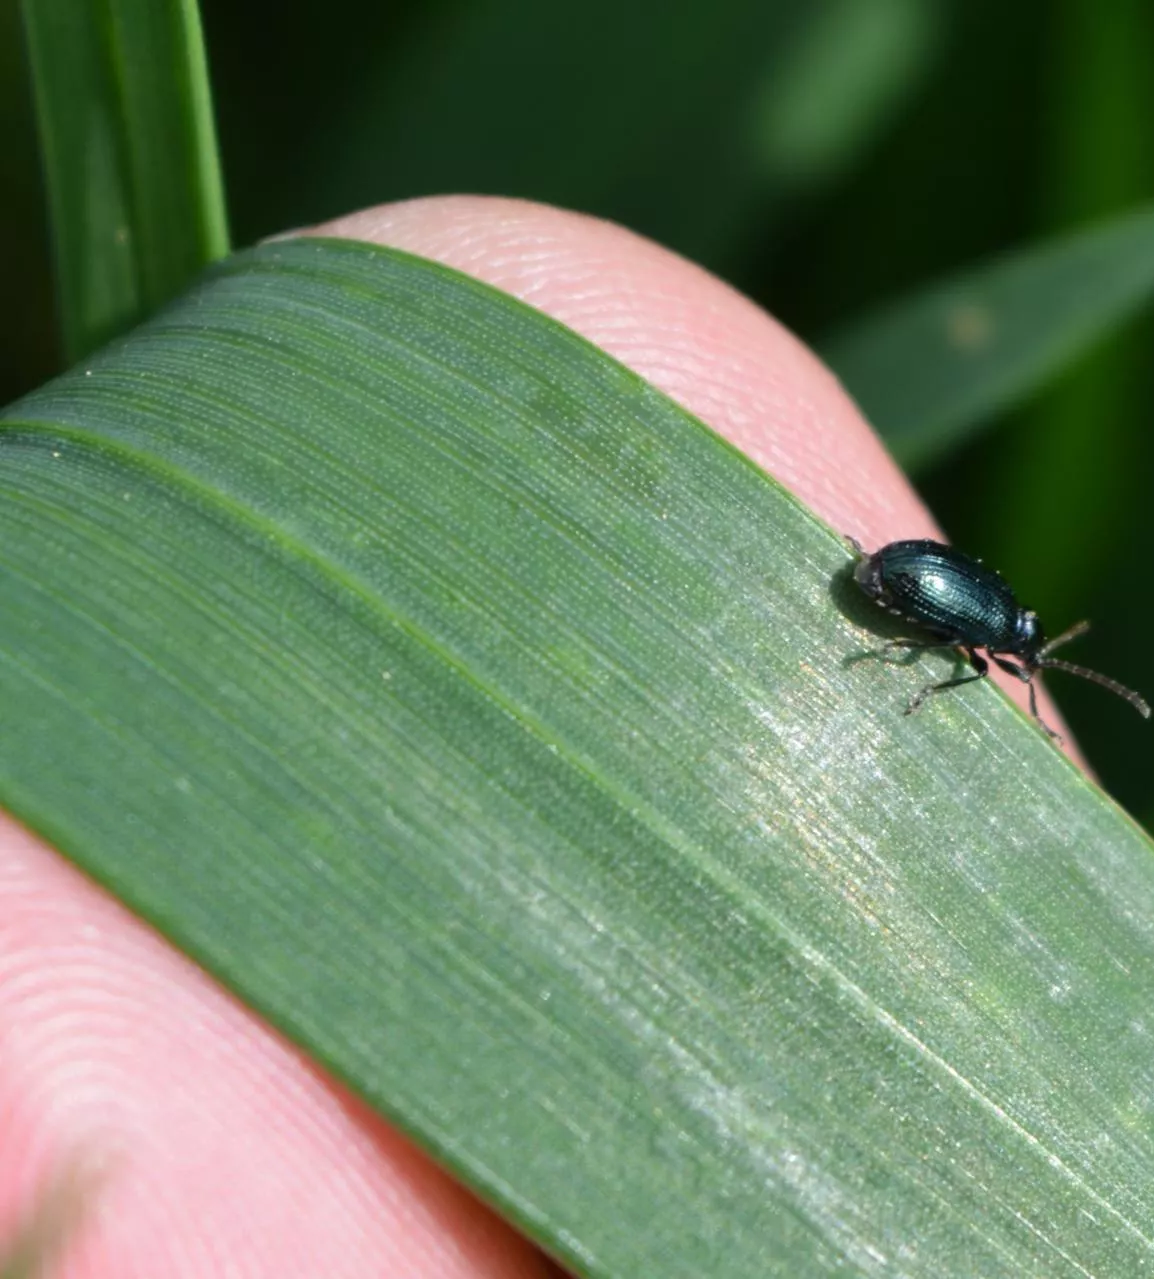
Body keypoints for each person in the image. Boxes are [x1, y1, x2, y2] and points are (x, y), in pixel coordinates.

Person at [0, 197, 1075, 1277]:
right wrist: (910, 639)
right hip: (887, 573)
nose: (1020, 669)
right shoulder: (987, 637)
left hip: (896, 571)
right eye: (1028, 664)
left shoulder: (994, 621)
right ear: (1015, 651)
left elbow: (946, 597)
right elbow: (940, 609)